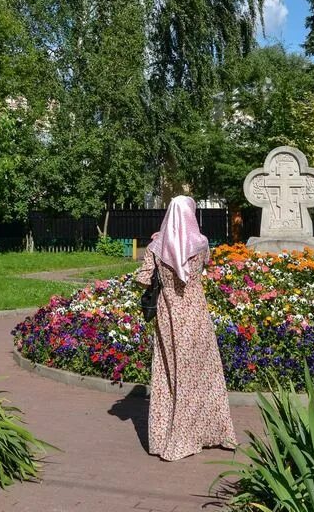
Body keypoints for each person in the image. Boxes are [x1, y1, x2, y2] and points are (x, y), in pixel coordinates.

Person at [134, 195, 236, 461]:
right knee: (202, 371)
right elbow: (203, 266)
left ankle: (169, 437)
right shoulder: (202, 244)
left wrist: (159, 244)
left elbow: (143, 280)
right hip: (196, 315)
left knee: (170, 371)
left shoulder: (156, 247)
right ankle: (208, 432)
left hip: (169, 315)